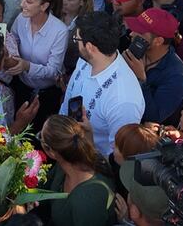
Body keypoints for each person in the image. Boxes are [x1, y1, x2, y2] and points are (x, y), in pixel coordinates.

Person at [61, 11, 144, 155]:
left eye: (77, 39)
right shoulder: (86, 60)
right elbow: (67, 101)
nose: (76, 43)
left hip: (92, 163)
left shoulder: (123, 100)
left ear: (90, 47)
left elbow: (118, 156)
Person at [36, 115, 116, 226]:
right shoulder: (63, 164)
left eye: (40, 137)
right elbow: (41, 190)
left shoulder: (88, 200)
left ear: (52, 152)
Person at [7, 0, 68, 124]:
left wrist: (27, 66)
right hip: (20, 87)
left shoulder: (60, 31)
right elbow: (12, 41)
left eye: (28, 1)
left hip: (47, 94)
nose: (22, 4)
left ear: (44, 6)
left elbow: (53, 70)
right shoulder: (21, 18)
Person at [121, 7, 183, 124]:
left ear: (158, 41)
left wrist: (141, 81)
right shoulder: (136, 49)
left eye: (140, 32)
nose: (132, 34)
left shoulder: (177, 76)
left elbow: (153, 117)